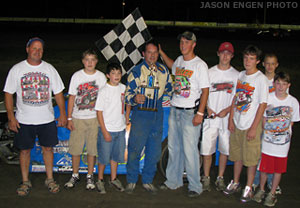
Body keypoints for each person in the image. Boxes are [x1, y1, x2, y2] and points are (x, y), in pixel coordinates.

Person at [3, 37, 67, 196]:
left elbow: (58, 93)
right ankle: (25, 181)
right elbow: (8, 94)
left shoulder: (49, 69)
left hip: (46, 119)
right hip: (24, 120)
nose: (37, 52)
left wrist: (63, 114)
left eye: (40, 49)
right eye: (34, 48)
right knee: (24, 151)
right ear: (27, 49)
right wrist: (11, 117)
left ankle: (50, 179)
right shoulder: (17, 69)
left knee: (48, 148)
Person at [159, 31, 210, 197]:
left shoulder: (199, 65)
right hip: (175, 110)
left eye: (186, 42)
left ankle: (195, 186)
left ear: (193, 44)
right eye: (181, 42)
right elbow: (172, 65)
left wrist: (200, 113)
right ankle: (173, 181)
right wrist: (161, 54)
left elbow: (205, 91)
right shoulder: (180, 61)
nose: (183, 45)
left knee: (190, 150)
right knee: (174, 148)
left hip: (190, 112)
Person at [124, 39, 173, 194]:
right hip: (141, 113)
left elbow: (171, 89)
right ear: (143, 54)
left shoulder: (164, 71)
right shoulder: (137, 71)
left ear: (158, 54)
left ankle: (147, 180)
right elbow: (126, 95)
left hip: (157, 112)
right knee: (134, 148)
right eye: (149, 52)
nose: (152, 55)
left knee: (154, 150)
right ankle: (131, 180)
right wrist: (134, 98)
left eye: (155, 52)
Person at [224, 45, 269, 202]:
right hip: (238, 122)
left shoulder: (260, 79)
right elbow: (236, 98)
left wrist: (254, 127)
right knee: (237, 156)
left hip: (251, 125)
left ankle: (249, 187)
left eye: (251, 59)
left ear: (257, 61)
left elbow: (262, 105)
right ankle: (236, 182)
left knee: (250, 158)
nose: (247, 61)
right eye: (245, 58)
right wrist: (231, 119)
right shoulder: (241, 75)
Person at [252, 72, 299, 207]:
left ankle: (272, 193)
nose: (280, 87)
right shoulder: (269, 99)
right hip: (267, 142)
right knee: (264, 168)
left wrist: (282, 134)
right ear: (273, 84)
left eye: (284, 84)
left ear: (288, 85)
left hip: (282, 145)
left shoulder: (293, 102)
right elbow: (263, 118)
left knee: (278, 169)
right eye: (278, 83)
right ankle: (261, 190)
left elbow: (292, 121)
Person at [64, 49, 106, 190]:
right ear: (83, 61)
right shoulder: (77, 76)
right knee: (76, 148)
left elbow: (105, 98)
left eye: (92, 59)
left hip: (94, 118)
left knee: (92, 149)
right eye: (87, 59)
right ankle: (75, 174)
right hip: (78, 117)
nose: (90, 63)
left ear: (96, 61)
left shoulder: (101, 77)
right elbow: (72, 98)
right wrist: (69, 118)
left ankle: (89, 175)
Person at [200, 42, 239, 192]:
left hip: (226, 119)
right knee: (207, 150)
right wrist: (207, 108)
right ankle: (206, 177)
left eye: (228, 53)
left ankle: (220, 177)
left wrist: (228, 110)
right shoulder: (209, 73)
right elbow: (203, 93)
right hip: (211, 118)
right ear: (218, 53)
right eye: (223, 52)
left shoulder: (236, 75)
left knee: (224, 150)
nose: (225, 56)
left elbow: (238, 98)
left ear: (232, 56)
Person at [94, 63, 126, 194]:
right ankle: (100, 180)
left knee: (115, 157)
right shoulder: (103, 91)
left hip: (120, 128)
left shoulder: (123, 88)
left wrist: (126, 118)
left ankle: (113, 178)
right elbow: (99, 112)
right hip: (107, 130)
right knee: (103, 157)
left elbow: (126, 104)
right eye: (113, 73)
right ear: (108, 75)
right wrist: (104, 131)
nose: (116, 76)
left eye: (118, 73)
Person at [252, 53, 282, 194]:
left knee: (273, 154)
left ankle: (271, 182)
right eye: (267, 63)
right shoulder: (260, 79)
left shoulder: (280, 83)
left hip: (274, 125)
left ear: (276, 65)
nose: (270, 66)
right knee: (260, 153)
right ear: (262, 64)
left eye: (273, 64)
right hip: (261, 122)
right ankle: (256, 180)